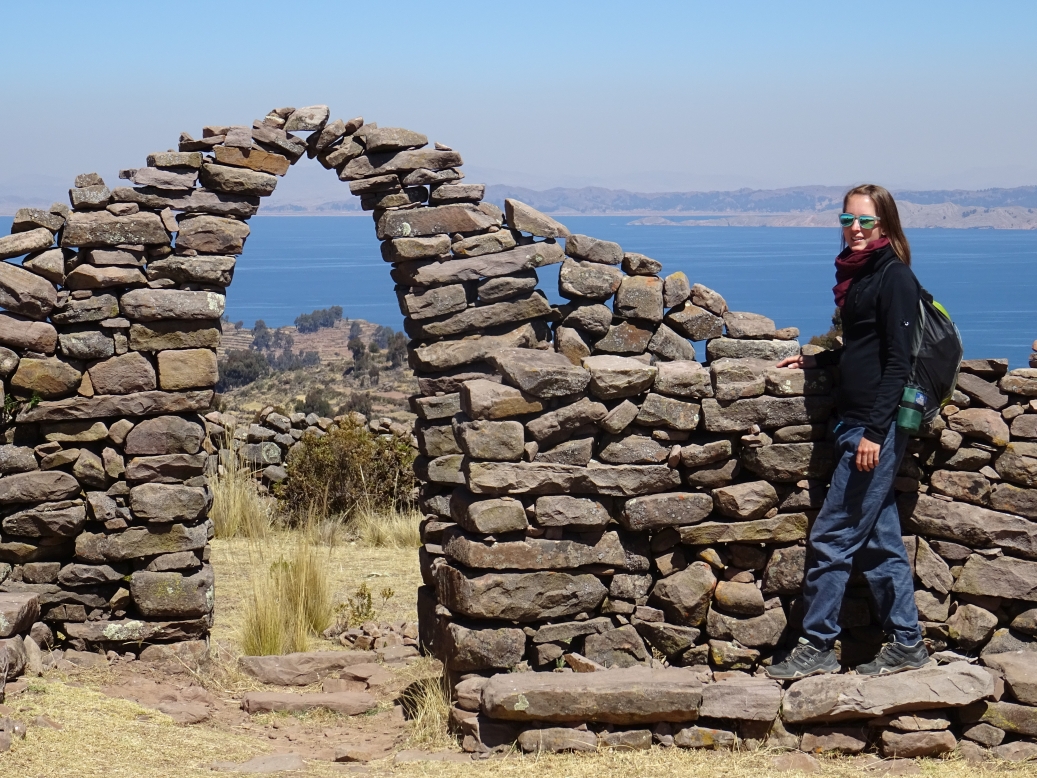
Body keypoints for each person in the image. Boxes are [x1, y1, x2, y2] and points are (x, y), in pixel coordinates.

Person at [765, 184, 928, 679]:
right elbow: (863, 346)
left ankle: (816, 645)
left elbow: (899, 362)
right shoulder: (860, 278)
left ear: (886, 225)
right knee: (879, 543)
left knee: (833, 536)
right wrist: (818, 357)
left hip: (870, 430)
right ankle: (907, 643)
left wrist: (875, 435)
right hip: (852, 422)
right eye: (847, 219)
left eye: (865, 221)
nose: (854, 229)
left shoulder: (895, 277)